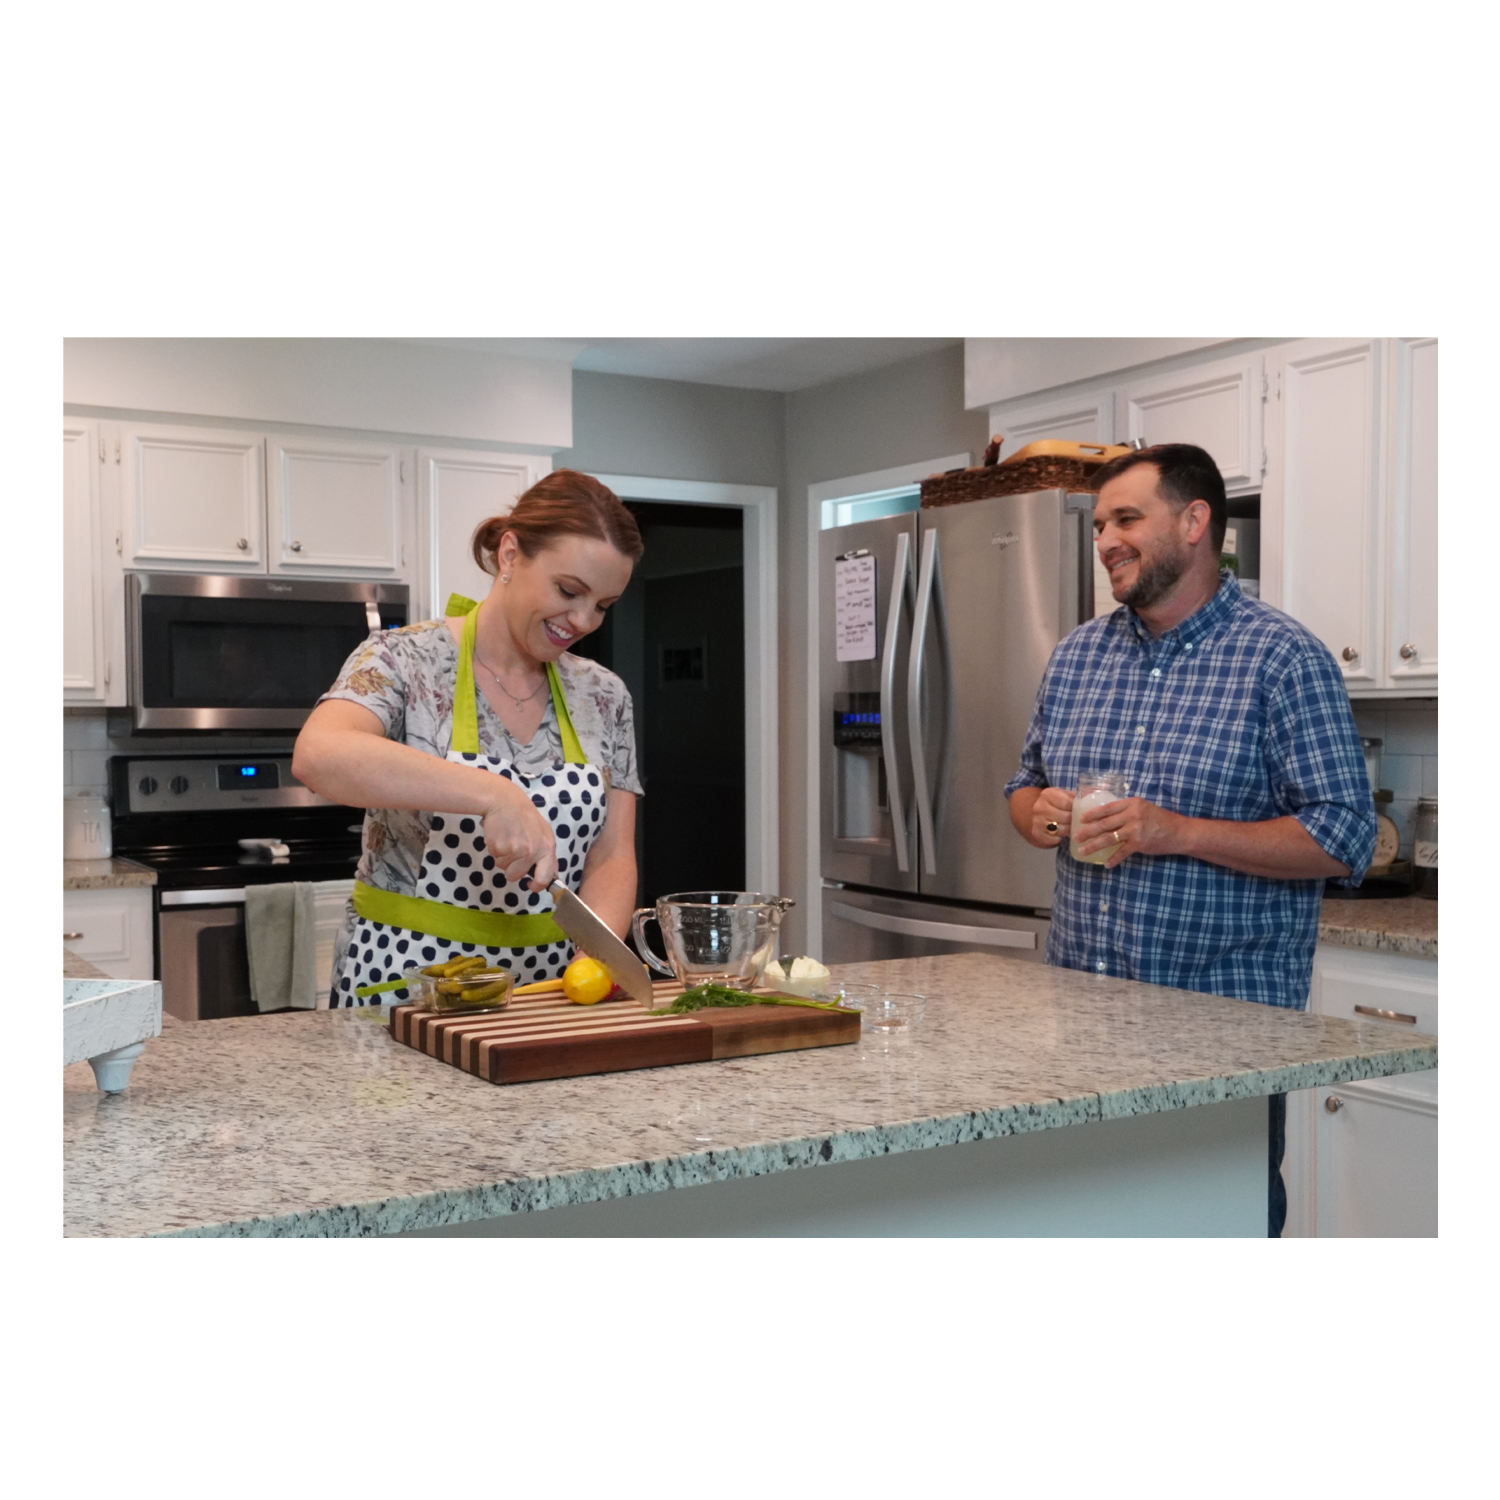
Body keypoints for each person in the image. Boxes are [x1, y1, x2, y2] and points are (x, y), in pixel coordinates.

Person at [1003, 442, 1376, 1235]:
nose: (1104, 539)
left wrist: (1178, 832)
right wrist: (1043, 814)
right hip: (1080, 1021)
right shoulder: (1076, 657)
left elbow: (1343, 838)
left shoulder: (1282, 658)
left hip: (1219, 1034)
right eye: (1100, 523)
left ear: (1196, 521)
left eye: (1126, 518)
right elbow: (1021, 788)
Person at [293, 470, 645, 1007]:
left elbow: (613, 855)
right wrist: (493, 794)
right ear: (509, 555)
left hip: (545, 996)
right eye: (569, 591)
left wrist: (595, 960)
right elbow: (320, 756)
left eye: (602, 605)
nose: (582, 620)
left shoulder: (604, 695)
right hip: (406, 990)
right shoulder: (401, 659)